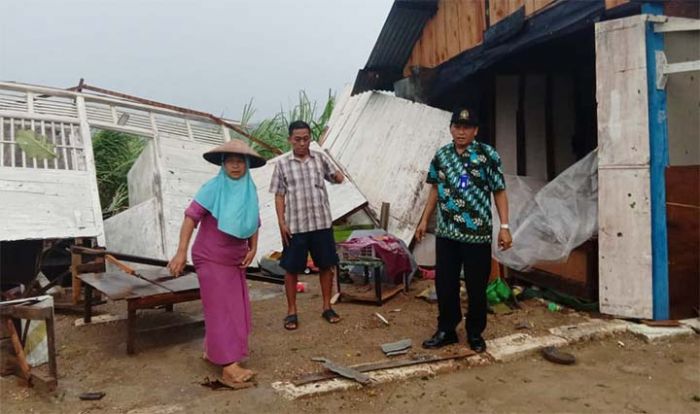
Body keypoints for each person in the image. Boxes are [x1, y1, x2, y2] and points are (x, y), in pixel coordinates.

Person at [167, 139, 265, 386]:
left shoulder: (248, 189)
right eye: (230, 161)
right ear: (223, 163)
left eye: (240, 161)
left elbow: (254, 220)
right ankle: (229, 366)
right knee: (221, 310)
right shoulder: (212, 188)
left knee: (233, 308)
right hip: (210, 257)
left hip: (234, 259)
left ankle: (213, 350)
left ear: (246, 165)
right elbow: (191, 218)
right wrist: (181, 252)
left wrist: (253, 247)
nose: (235, 166)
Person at [415, 107, 512, 353]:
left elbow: (499, 191)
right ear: (450, 128)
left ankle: (475, 333)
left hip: (476, 234)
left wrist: (504, 227)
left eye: (466, 127)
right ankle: (447, 329)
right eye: (457, 126)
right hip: (447, 233)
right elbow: (435, 189)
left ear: (475, 130)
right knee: (445, 284)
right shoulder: (442, 155)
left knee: (476, 286)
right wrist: (424, 220)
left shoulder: (487, 155)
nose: (461, 131)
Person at [270, 120, 344, 330]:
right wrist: (281, 222)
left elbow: (337, 178)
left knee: (326, 265)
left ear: (310, 138)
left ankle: (327, 306)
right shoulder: (283, 165)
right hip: (296, 226)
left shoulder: (320, 159)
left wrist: (339, 175)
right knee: (291, 269)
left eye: (306, 139)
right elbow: (279, 195)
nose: (302, 143)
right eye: (297, 139)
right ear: (290, 140)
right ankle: (291, 311)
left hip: (321, 223)